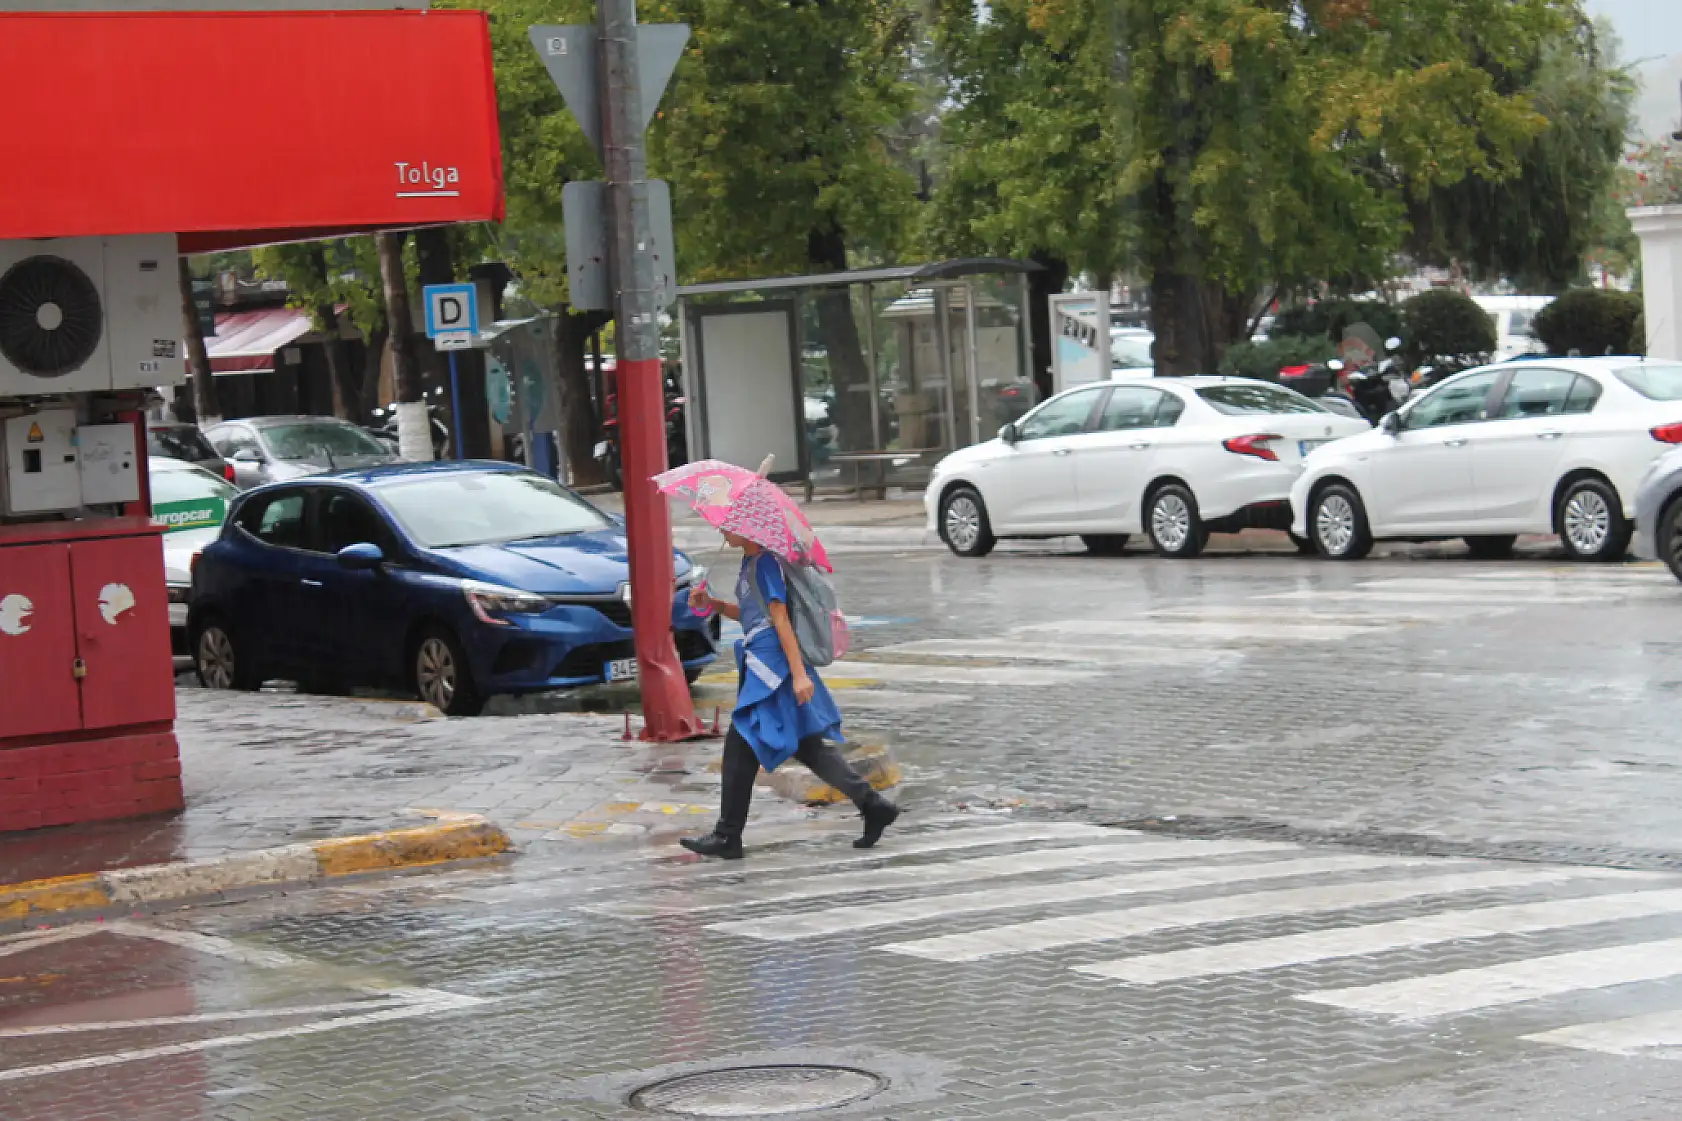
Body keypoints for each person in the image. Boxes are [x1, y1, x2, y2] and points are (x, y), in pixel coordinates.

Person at [681, 532, 898, 859]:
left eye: (729, 524)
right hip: (766, 662)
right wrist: (713, 604)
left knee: (741, 740)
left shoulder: (766, 563)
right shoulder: (751, 562)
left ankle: (727, 835)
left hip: (773, 668)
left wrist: (798, 675)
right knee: (807, 745)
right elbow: (754, 616)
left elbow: (780, 618)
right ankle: (872, 805)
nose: (723, 529)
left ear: (748, 528)